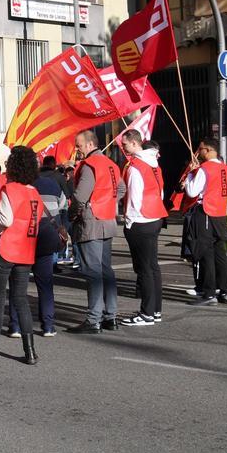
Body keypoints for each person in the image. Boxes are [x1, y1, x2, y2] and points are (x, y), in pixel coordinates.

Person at [0, 146, 44, 365]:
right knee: (21, 300)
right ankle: (30, 351)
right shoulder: (34, 193)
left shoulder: (10, 189)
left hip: (6, 248)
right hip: (25, 250)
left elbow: (5, 219)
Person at [67, 130, 125, 334]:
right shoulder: (111, 164)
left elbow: (79, 197)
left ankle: (94, 319)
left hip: (91, 222)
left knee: (93, 272)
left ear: (90, 144)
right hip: (107, 220)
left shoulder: (89, 165)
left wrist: (72, 215)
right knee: (105, 270)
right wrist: (107, 202)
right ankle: (110, 316)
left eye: (79, 145)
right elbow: (121, 189)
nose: (77, 149)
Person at [9, 163, 65, 338]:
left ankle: (15, 326)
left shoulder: (16, 187)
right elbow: (62, 206)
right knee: (45, 284)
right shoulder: (52, 184)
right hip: (47, 235)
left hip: (24, 238)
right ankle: (48, 325)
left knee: (18, 284)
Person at [120, 134, 166, 327]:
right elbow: (160, 191)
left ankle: (147, 313)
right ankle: (155, 310)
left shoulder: (136, 166)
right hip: (155, 216)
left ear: (134, 143)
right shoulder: (154, 163)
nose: (123, 147)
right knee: (152, 267)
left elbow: (134, 198)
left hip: (140, 220)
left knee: (144, 269)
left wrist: (129, 222)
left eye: (125, 144)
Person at [184, 139, 227, 306]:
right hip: (221, 213)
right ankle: (225, 291)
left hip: (206, 212)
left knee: (206, 254)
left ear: (208, 150)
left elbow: (192, 191)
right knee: (221, 254)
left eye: (200, 149)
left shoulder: (205, 168)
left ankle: (209, 293)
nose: (199, 152)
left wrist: (190, 174)